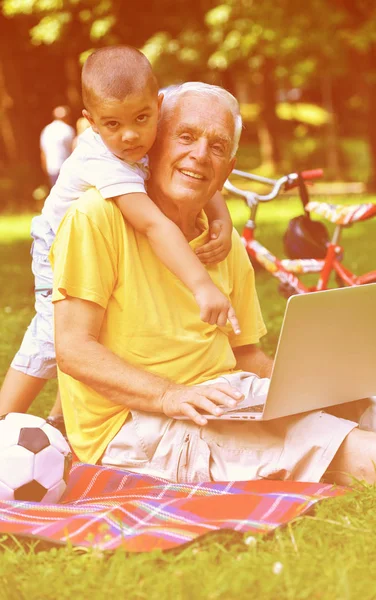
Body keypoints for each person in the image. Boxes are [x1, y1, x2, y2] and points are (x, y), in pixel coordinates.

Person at [51, 82, 376, 489]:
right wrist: (170, 395)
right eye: (185, 136)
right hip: (134, 423)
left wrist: (308, 388)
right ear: (153, 143)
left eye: (217, 147)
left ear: (228, 169)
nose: (199, 155)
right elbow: (73, 349)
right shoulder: (96, 217)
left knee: (369, 409)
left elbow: (244, 353)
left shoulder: (222, 240)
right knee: (318, 440)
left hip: (222, 396)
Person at [0, 47, 238, 425]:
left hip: (102, 242)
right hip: (57, 246)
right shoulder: (104, 160)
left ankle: (63, 419)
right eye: (112, 125)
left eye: (141, 118)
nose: (129, 136)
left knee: (102, 323)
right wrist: (202, 285)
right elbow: (153, 224)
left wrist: (220, 217)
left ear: (158, 105)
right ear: (91, 122)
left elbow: (202, 179)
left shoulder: (150, 133)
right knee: (54, 332)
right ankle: (4, 416)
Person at [40, 105, 75, 187]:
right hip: (67, 168)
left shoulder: (46, 130)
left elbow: (43, 153)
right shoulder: (68, 129)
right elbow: (73, 150)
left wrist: (46, 170)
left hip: (52, 169)